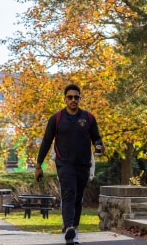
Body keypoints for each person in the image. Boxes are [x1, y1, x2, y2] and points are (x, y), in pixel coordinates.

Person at [35, 84, 105, 244]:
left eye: (76, 97)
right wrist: (39, 166)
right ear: (65, 99)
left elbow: (97, 139)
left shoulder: (89, 118)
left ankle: (74, 230)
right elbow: (46, 142)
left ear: (80, 98)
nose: (73, 100)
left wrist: (100, 146)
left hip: (83, 164)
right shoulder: (57, 118)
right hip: (64, 163)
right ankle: (68, 229)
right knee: (69, 194)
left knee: (78, 198)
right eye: (70, 97)